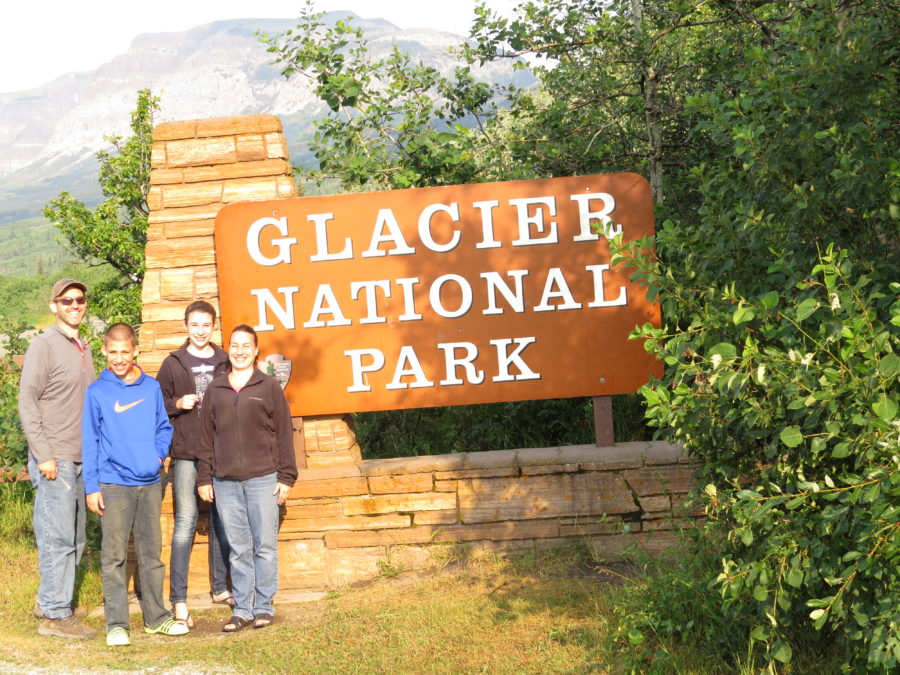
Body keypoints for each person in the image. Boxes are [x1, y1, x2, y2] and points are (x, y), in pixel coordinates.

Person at [82, 323, 188, 646]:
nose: (118, 358)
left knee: (151, 553)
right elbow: (90, 440)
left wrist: (157, 457)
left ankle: (156, 618)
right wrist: (91, 486)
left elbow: (163, 428)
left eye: (125, 351)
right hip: (113, 484)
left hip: (150, 481)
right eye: (112, 352)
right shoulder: (97, 392)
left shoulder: (151, 387)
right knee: (114, 556)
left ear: (135, 351)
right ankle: (117, 625)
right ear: (104, 352)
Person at [197, 324, 297, 632]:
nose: (240, 351)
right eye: (235, 345)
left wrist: (287, 477)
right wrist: (204, 477)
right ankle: (242, 608)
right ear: (230, 350)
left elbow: (283, 433)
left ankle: (264, 606)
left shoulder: (268, 388)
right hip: (225, 482)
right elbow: (206, 437)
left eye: (246, 346)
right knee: (238, 548)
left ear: (256, 352)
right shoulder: (216, 389)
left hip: (263, 479)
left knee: (264, 545)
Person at [18, 278, 97, 639]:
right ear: (54, 306)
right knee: (57, 537)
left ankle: (48, 600)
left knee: (77, 538)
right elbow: (28, 402)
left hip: (81, 458)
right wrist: (44, 455)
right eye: (67, 301)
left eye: (79, 300)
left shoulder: (83, 346)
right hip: (56, 459)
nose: (75, 306)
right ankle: (54, 616)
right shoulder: (44, 346)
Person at [156, 300, 233, 627]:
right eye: (195, 325)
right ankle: (179, 600)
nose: (201, 331)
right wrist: (177, 403)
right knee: (186, 522)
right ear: (186, 326)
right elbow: (155, 405)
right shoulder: (173, 363)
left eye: (206, 325)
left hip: (219, 452)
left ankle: (219, 588)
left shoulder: (224, 360)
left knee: (222, 520)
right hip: (186, 452)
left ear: (213, 327)